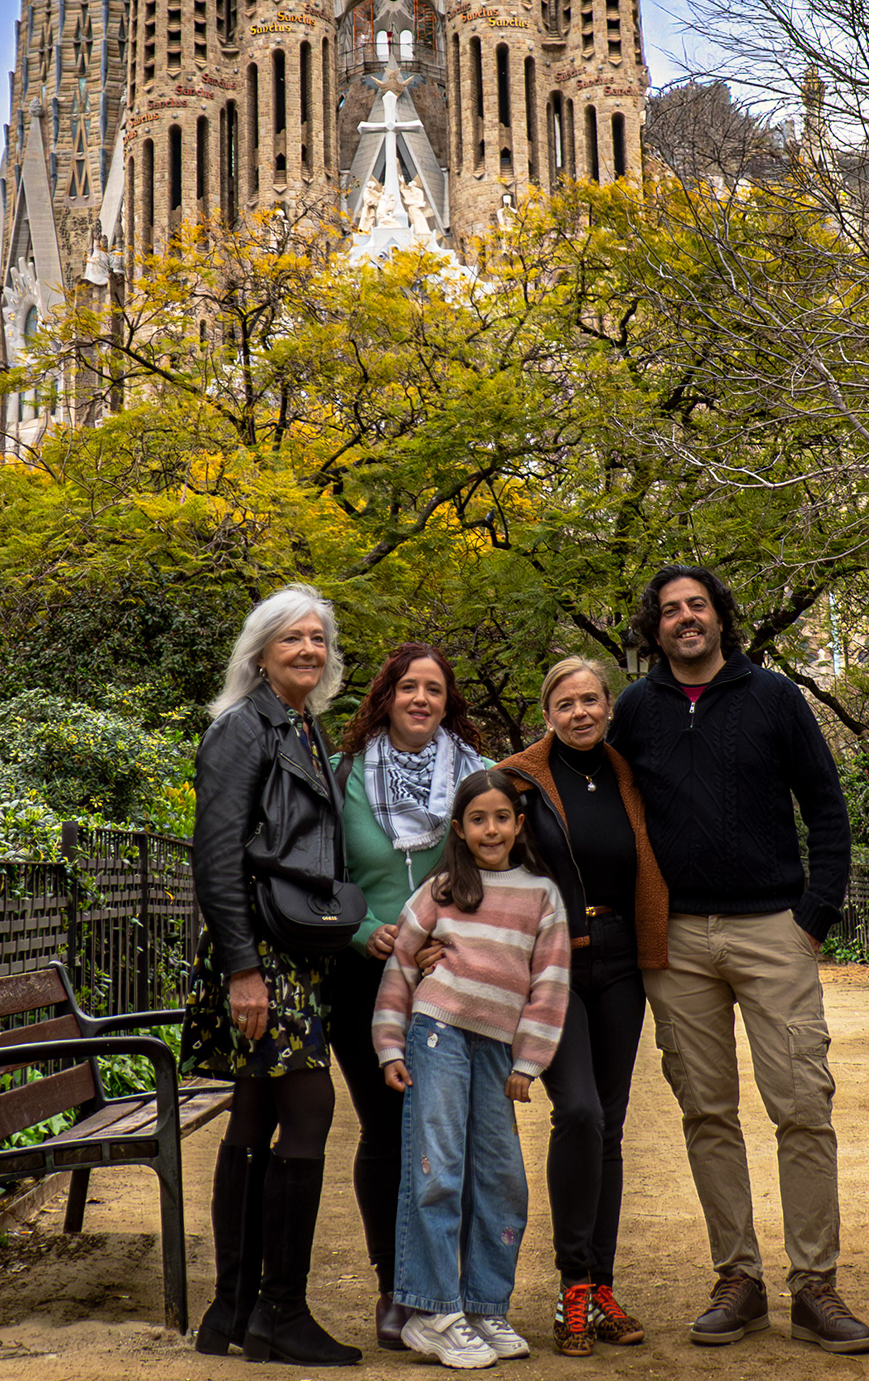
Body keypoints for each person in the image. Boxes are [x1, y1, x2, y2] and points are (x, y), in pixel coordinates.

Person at [608, 566, 869, 1357]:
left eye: (697, 605)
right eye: (668, 611)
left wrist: (812, 921)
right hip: (677, 941)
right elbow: (591, 786)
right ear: (653, 628)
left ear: (721, 616)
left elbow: (825, 807)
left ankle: (815, 1286)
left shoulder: (776, 699)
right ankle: (740, 1280)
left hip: (772, 931)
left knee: (802, 1106)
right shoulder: (635, 710)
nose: (685, 619)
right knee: (706, 1112)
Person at [183, 587, 362, 1366]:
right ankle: (279, 1312)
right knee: (312, 1107)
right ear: (261, 652)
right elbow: (216, 856)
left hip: (291, 949)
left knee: (254, 1117)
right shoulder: (242, 728)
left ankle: (234, 1311)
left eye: (319, 639)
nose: (309, 651)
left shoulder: (301, 727)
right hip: (261, 950)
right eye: (293, 638)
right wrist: (243, 971)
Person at [495, 656, 669, 1356]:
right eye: (566, 704)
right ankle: (572, 1282)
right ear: (548, 713)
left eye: (591, 700)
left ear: (607, 706)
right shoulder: (520, 780)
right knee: (581, 1111)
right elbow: (485, 858)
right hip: (555, 963)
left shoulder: (626, 773)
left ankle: (601, 1284)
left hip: (622, 959)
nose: (581, 713)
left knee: (613, 1124)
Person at [372, 769, 572, 1372]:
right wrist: (390, 1047)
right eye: (478, 819)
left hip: (497, 1052)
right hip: (437, 1035)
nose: (491, 829)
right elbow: (402, 969)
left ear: (518, 824)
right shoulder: (439, 890)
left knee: (501, 1177)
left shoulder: (541, 894)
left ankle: (486, 1304)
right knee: (438, 1169)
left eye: (502, 818)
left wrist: (529, 1061)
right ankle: (432, 1311)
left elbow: (550, 983)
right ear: (459, 829)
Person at [331, 643, 489, 1349]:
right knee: (386, 1128)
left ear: (447, 700)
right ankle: (395, 1289)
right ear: (386, 697)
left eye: (434, 688)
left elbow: (494, 863)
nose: (421, 698)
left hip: (445, 979)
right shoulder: (345, 779)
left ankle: (447, 1284)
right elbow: (322, 875)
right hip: (362, 975)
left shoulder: (475, 777)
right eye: (408, 687)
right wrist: (364, 929)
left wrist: (443, 936)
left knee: (446, 1135)